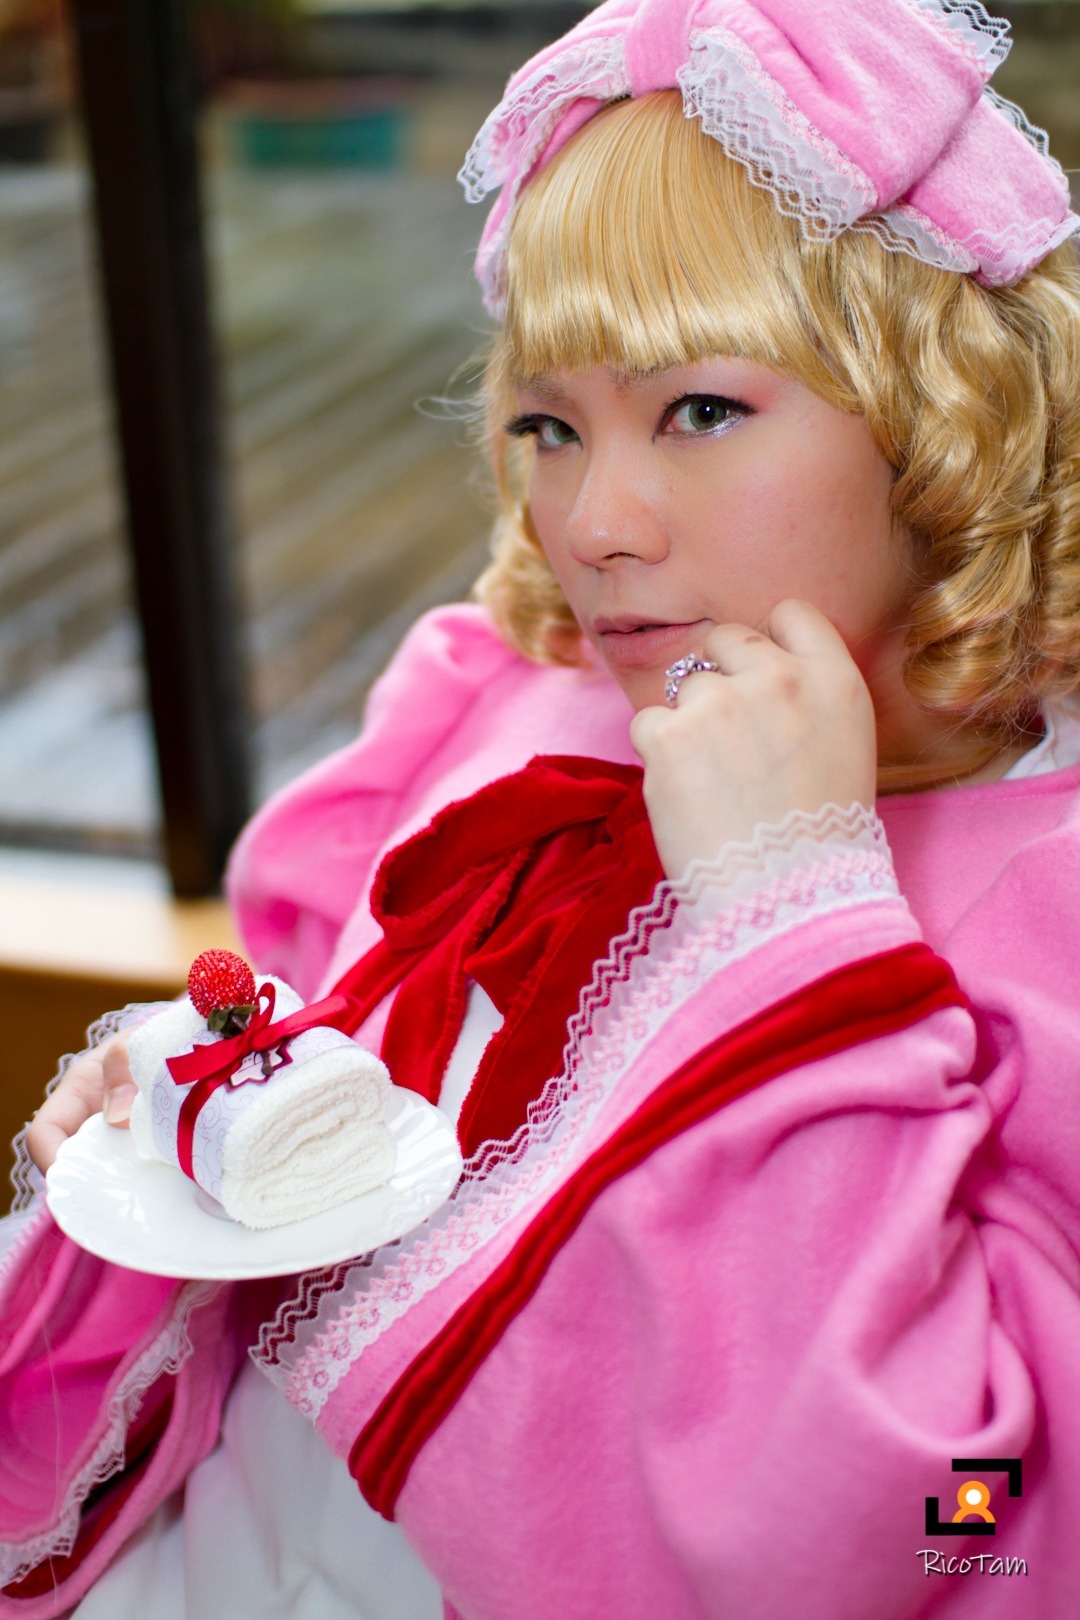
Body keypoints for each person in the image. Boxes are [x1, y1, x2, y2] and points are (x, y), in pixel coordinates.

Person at [4, 0, 1080, 1614]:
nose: (593, 520)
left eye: (699, 411)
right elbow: (362, 1055)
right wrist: (205, 1090)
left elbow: (965, 1526)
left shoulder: (1047, 918)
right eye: (547, 425)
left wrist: (794, 923)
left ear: (949, 426)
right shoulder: (511, 701)